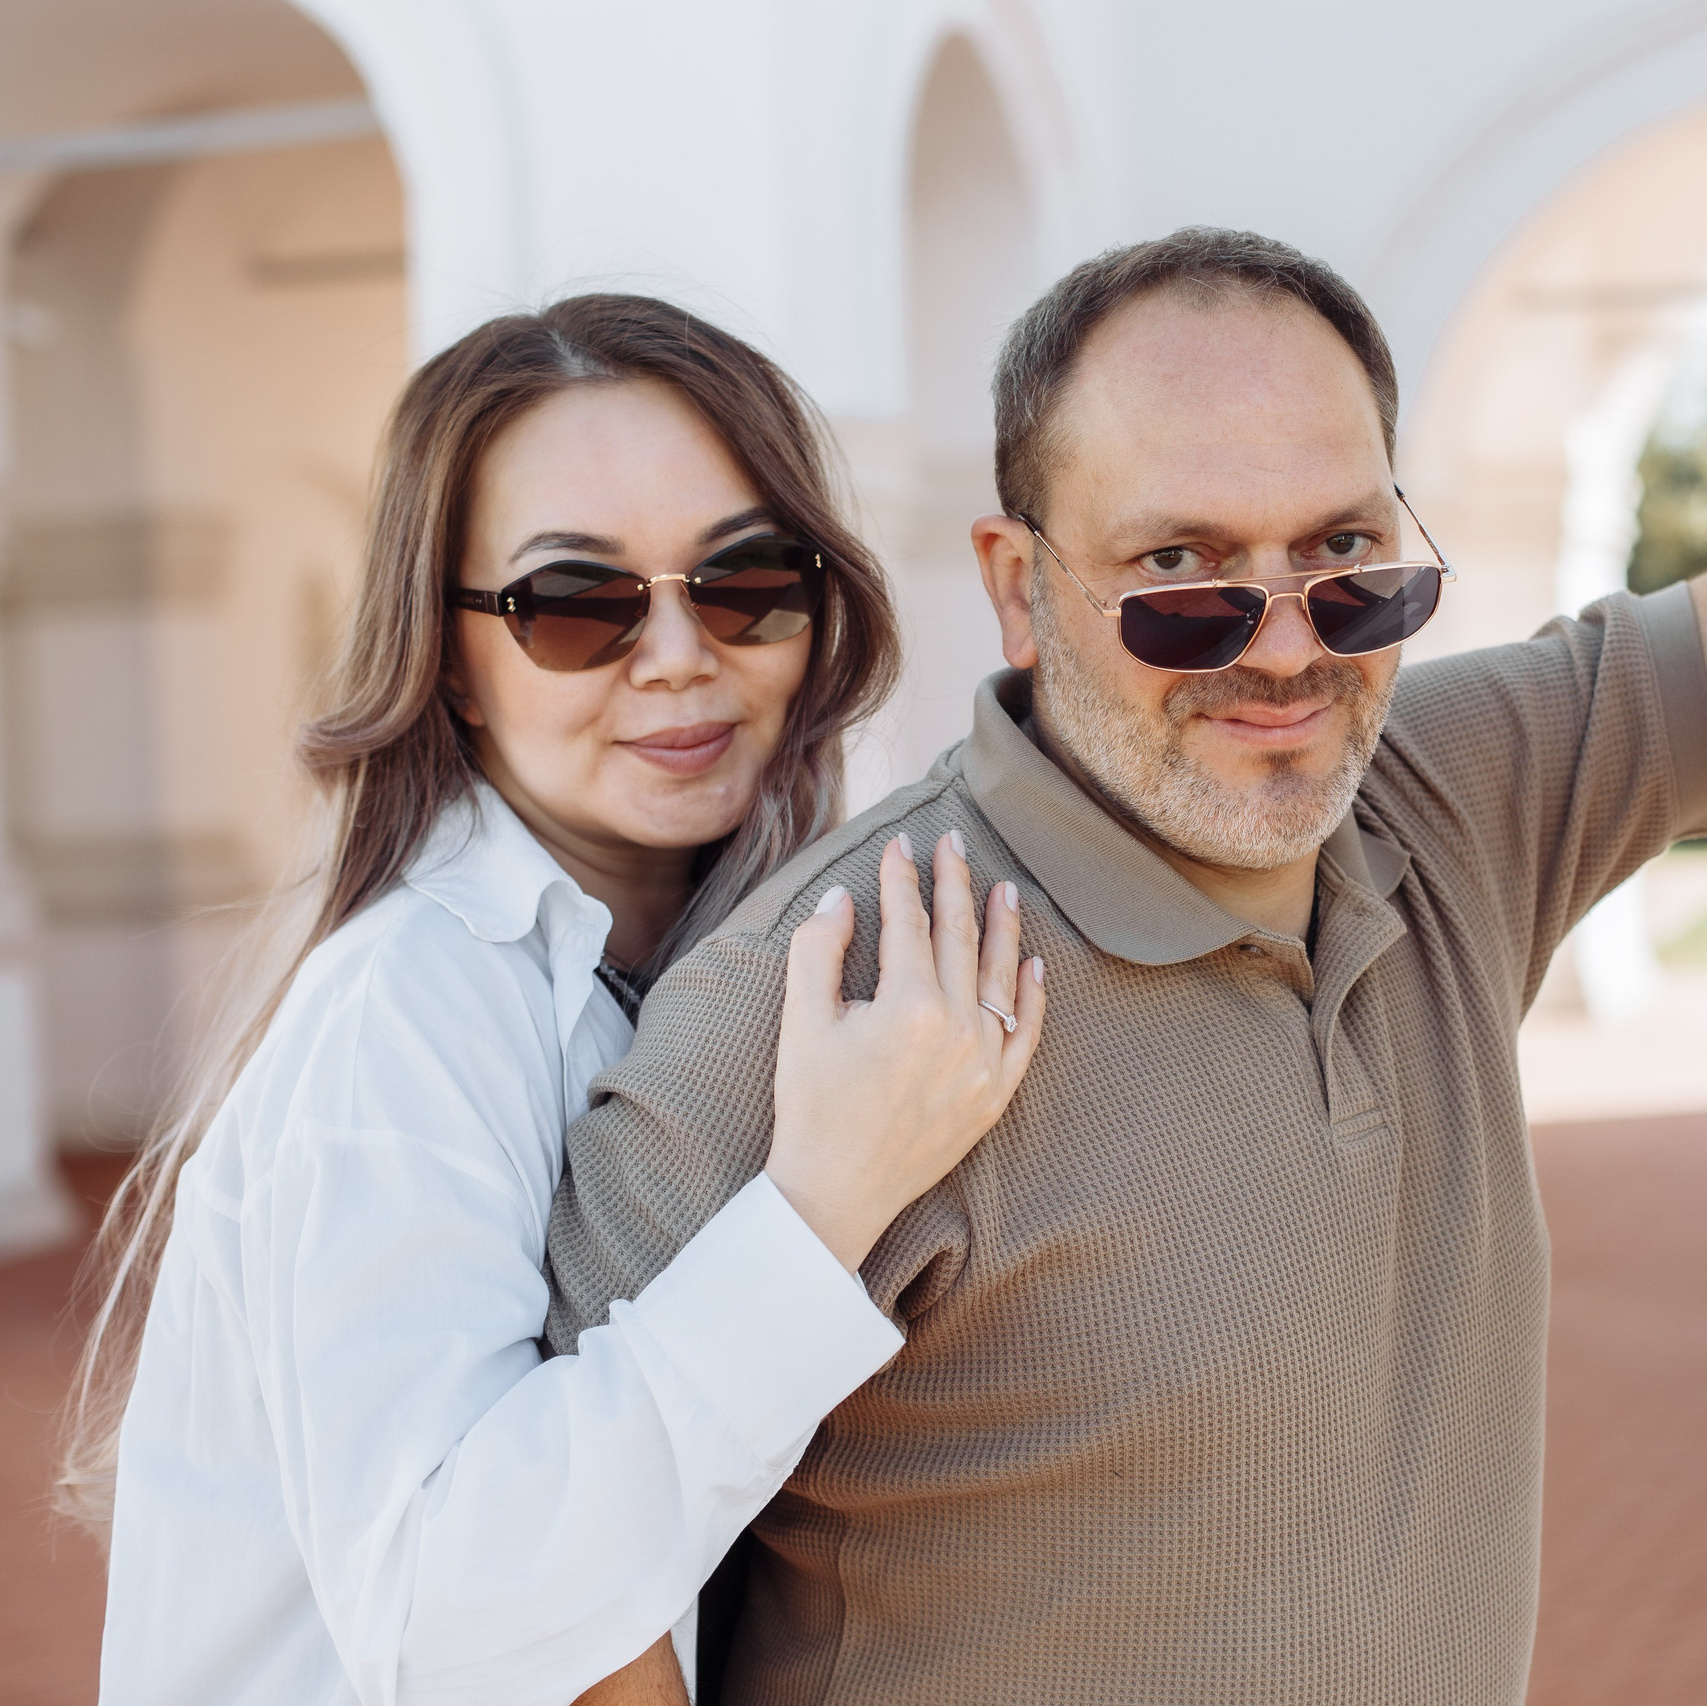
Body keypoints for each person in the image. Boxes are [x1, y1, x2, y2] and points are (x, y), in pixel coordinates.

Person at [543, 230, 1707, 1706]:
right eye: (1182, 572)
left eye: (1346, 556)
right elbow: (550, 1599)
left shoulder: (1453, 794)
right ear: (1018, 586)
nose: (1288, 652)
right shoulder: (815, 992)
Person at [66, 295, 1045, 1706]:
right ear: (451, 657)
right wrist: (823, 1202)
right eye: (575, 603)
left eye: (744, 579)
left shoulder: (742, 960)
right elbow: (456, 1619)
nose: (675, 655)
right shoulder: (403, 1014)